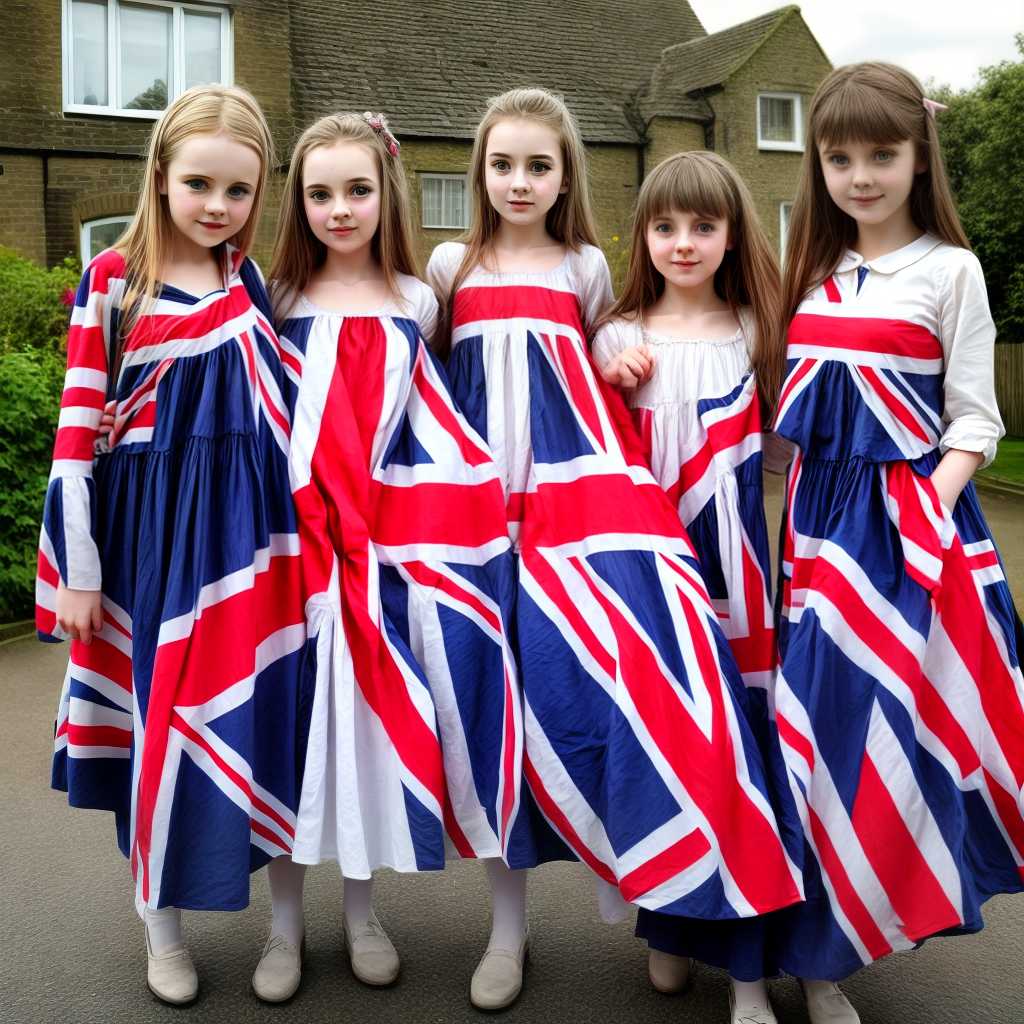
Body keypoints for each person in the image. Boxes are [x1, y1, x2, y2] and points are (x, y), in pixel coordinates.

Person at [428, 87, 804, 1012]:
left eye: (540, 165)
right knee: (500, 727)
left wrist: (607, 361)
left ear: (568, 176)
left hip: (578, 524)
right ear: (479, 170)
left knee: (620, 701)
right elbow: (425, 379)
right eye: (503, 163)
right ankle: (507, 932)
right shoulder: (446, 266)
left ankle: (644, 881)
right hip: (480, 528)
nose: (520, 181)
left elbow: (605, 374)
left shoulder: (589, 268)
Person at [35, 84, 309, 1005]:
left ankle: (286, 928)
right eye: (198, 184)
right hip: (148, 539)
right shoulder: (114, 277)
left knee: (268, 714)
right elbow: (76, 427)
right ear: (159, 175)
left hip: (251, 536)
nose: (216, 207)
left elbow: (284, 416)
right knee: (157, 727)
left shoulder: (251, 281)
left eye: (237, 191)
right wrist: (76, 571)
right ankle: (161, 926)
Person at [770, 61, 1024, 1024]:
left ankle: (838, 952)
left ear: (921, 158)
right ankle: (801, 956)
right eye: (840, 157)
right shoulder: (815, 271)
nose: (861, 174)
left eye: (883, 153)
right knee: (806, 740)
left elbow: (975, 421)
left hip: (908, 546)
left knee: (879, 741)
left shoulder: (951, 270)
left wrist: (924, 517)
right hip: (812, 538)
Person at [253, 111, 524, 1003]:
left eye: (358, 190)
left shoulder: (416, 298)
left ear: (387, 194)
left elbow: (432, 423)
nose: (340, 209)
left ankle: (360, 915)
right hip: (292, 548)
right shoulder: (271, 296)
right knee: (296, 729)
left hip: (384, 549)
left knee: (360, 726)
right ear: (297, 199)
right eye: (320, 193)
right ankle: (284, 931)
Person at [592, 150, 797, 1024]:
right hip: (652, 579)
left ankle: (750, 969)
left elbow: (788, 457)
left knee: (745, 754)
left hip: (741, 575)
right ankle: (670, 927)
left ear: (731, 234)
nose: (684, 242)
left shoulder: (758, 330)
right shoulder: (614, 332)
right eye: (666, 226)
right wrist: (610, 379)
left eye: (703, 227)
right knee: (670, 750)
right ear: (642, 234)